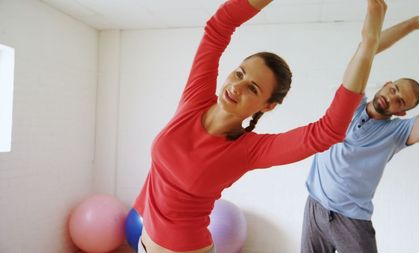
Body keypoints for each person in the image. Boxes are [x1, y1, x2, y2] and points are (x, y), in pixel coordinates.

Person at [133, 0, 386, 252]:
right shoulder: (195, 98)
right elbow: (219, 26)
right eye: (240, 73)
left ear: (267, 106)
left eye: (252, 88)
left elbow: (327, 131)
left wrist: (369, 45)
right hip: (143, 244)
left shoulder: (248, 150)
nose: (237, 87)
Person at [301, 15, 419, 253]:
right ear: (386, 84)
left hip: (351, 220)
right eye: (393, 89)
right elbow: (366, 49)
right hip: (315, 207)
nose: (391, 97)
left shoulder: (396, 132)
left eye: (399, 100)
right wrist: (415, 23)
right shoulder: (351, 102)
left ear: (401, 112)